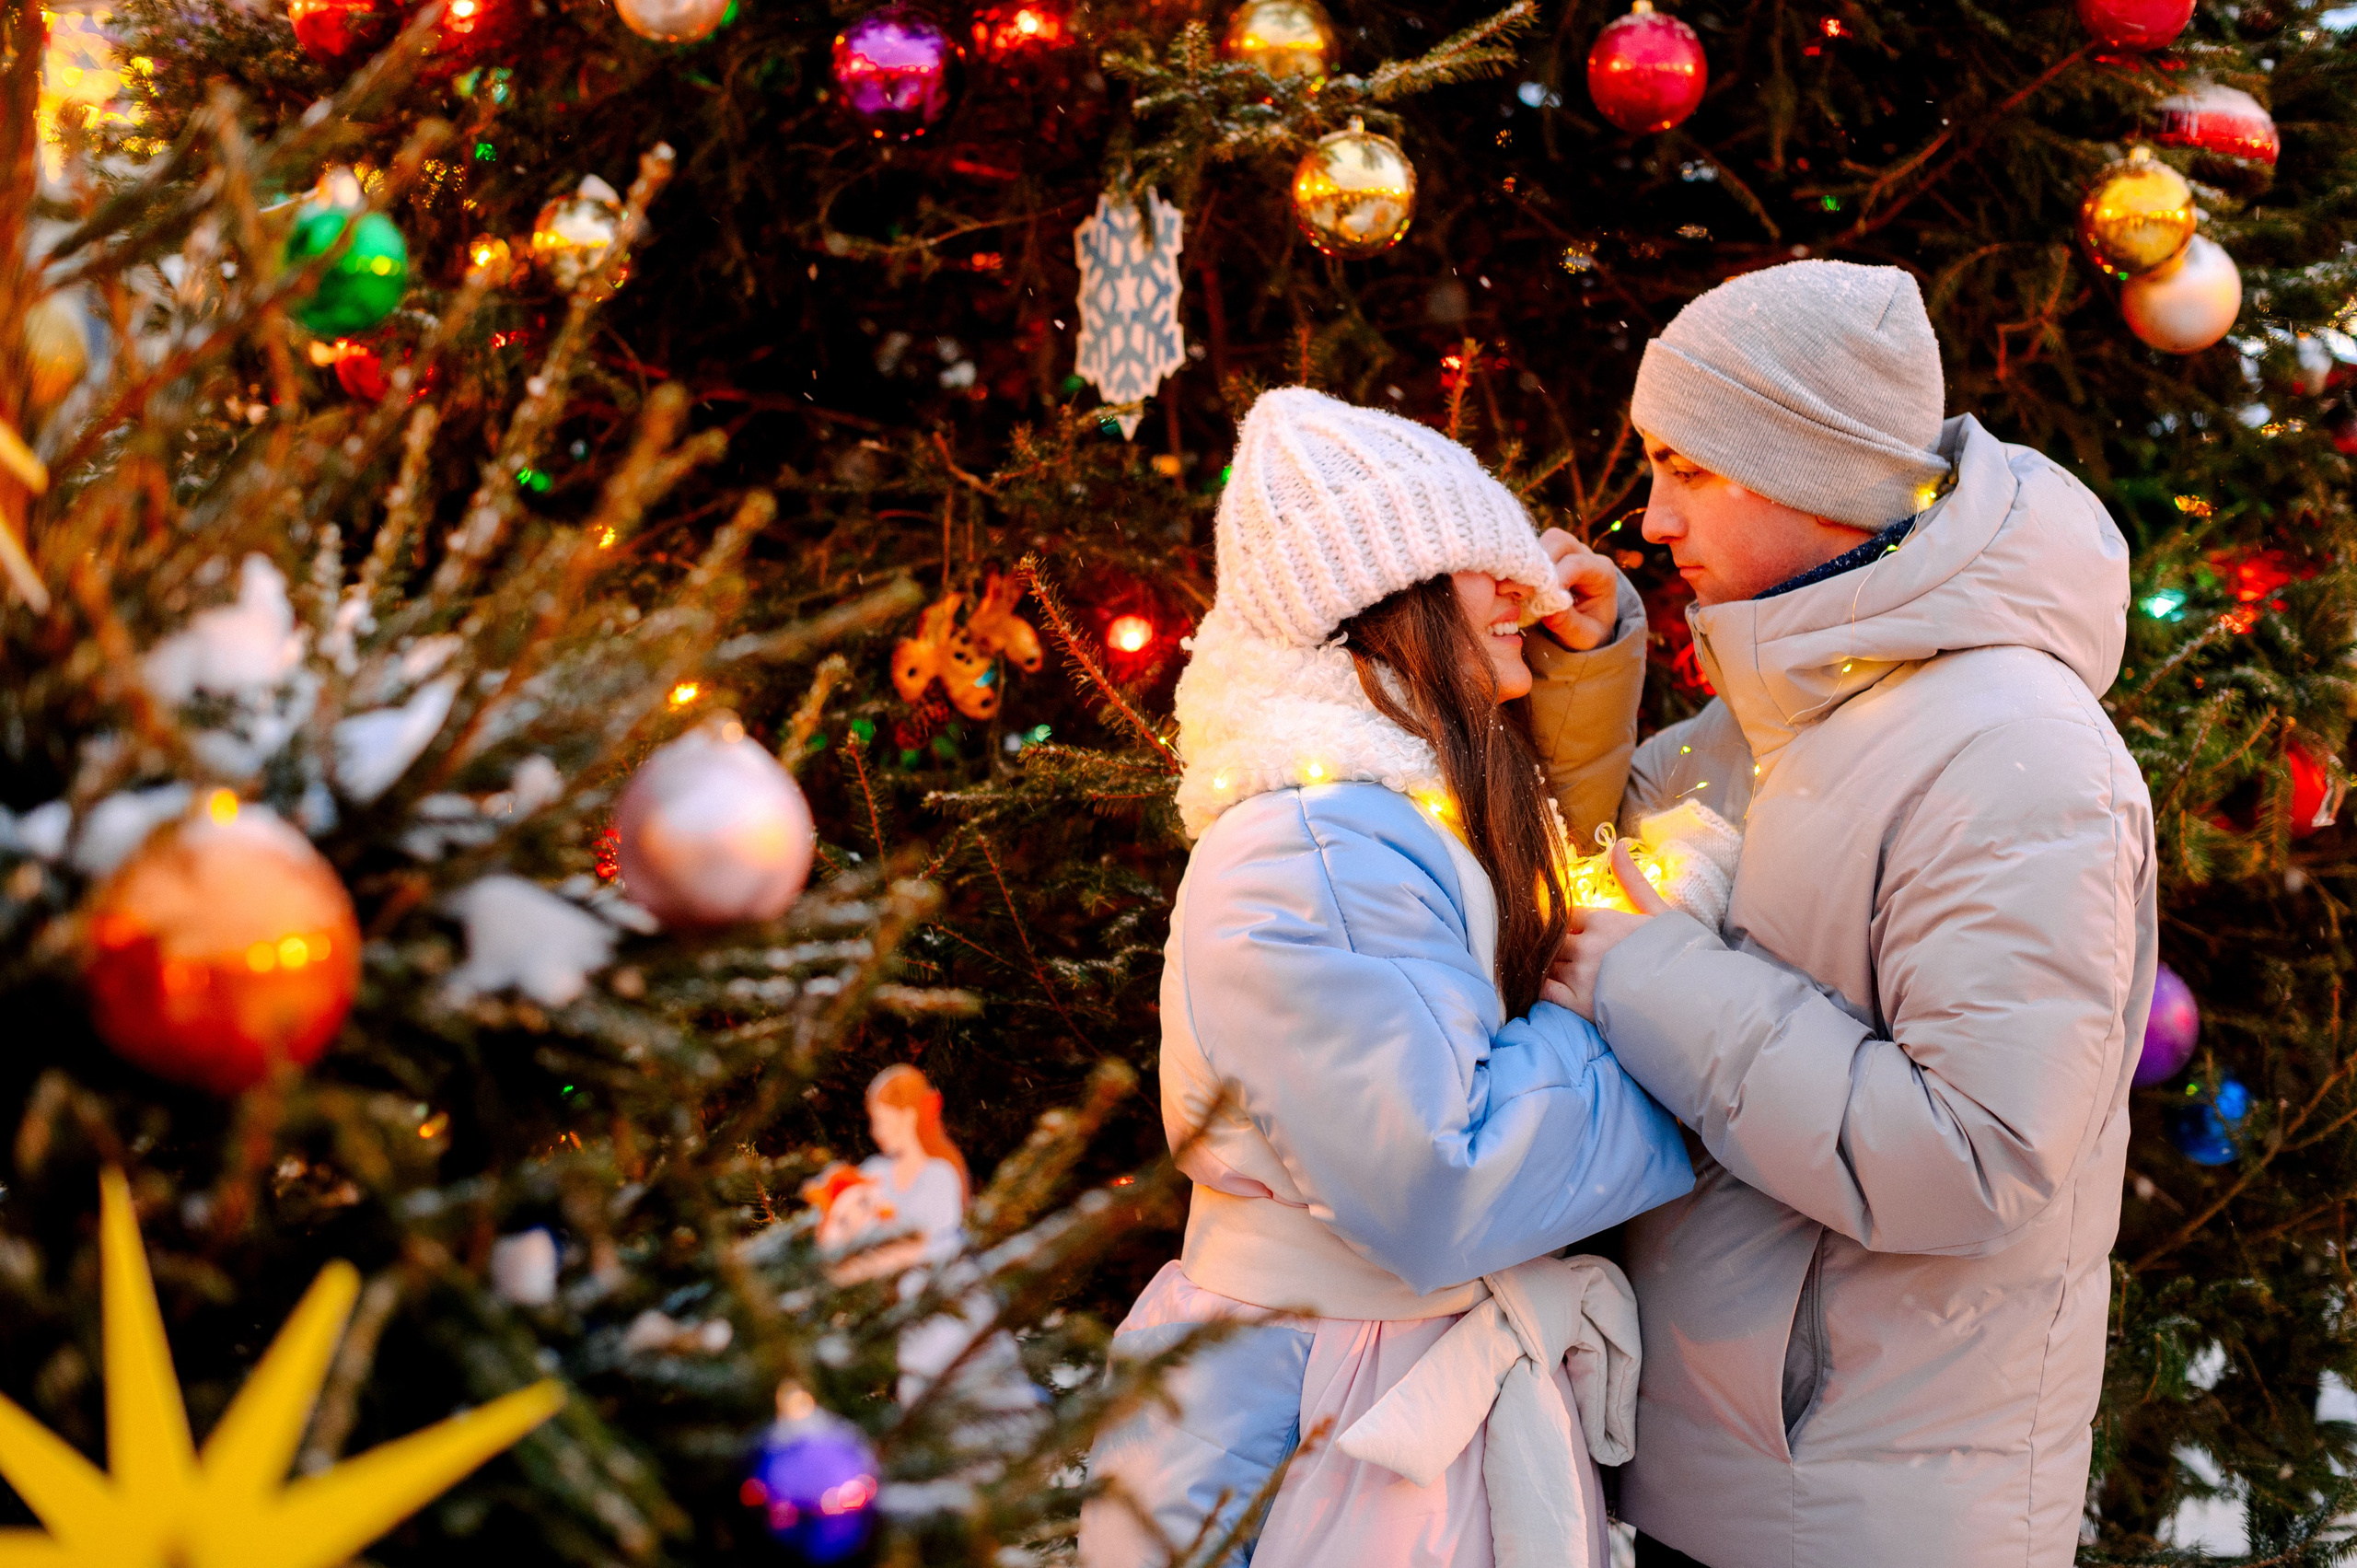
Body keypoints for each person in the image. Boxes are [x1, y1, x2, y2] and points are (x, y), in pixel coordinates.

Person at [1543, 260, 2159, 1568]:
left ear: (1808, 469)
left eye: (1688, 467)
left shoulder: (2021, 753)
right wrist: (1590, 686)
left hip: (1871, 1515)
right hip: (1710, 1478)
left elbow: (1976, 1154)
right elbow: (1590, 880)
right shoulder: (1773, 715)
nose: (1649, 517)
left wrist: (1655, 980)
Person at [1078, 387, 1693, 1568]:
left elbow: (1511, 894)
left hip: (1366, 1387)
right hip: (1331, 1418)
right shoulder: (1316, 851)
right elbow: (1439, 1179)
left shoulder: (1386, 816)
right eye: (1485, 566)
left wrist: (1583, 673)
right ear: (1386, 597)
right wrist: (1663, 1002)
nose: (1525, 590)